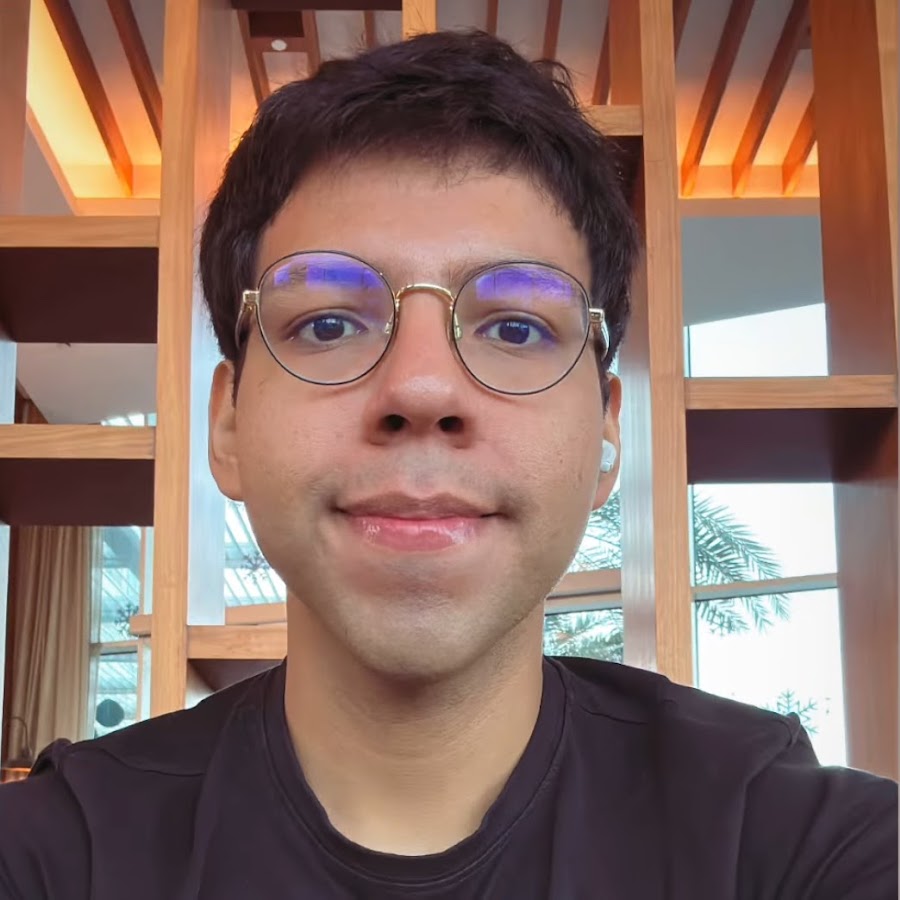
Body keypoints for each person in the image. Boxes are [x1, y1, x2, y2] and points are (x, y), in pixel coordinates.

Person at [0, 29, 896, 900]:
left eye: (517, 328)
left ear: (606, 436)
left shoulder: (783, 841)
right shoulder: (57, 852)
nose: (423, 387)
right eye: (328, 322)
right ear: (228, 425)